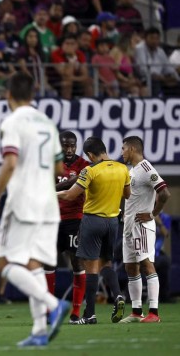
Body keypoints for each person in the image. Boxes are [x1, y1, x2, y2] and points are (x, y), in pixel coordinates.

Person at [0, 72, 69, 347]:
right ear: (33, 94)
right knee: (33, 265)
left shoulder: (12, 121)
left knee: (2, 262)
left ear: (8, 95)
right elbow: (58, 168)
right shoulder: (48, 123)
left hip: (22, 201)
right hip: (48, 203)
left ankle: (53, 304)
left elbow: (9, 162)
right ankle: (40, 330)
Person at [57, 137, 131, 325]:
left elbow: (70, 194)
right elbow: (127, 194)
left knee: (91, 268)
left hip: (92, 221)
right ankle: (118, 295)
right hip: (113, 222)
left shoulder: (89, 171)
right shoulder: (122, 169)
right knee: (106, 264)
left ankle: (90, 314)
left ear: (90, 155)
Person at [119, 136, 171, 323]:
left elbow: (164, 193)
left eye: (123, 148)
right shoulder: (132, 171)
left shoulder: (146, 168)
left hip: (142, 226)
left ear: (132, 149)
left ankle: (154, 313)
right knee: (130, 267)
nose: (122, 152)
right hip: (129, 226)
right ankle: (136, 311)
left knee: (146, 265)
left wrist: (152, 214)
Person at [44, 131, 91, 323]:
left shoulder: (84, 165)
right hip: (53, 219)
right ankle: (48, 311)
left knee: (77, 263)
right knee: (48, 263)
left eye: (73, 145)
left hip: (75, 219)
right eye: (65, 145)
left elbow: (76, 184)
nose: (69, 149)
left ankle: (75, 312)